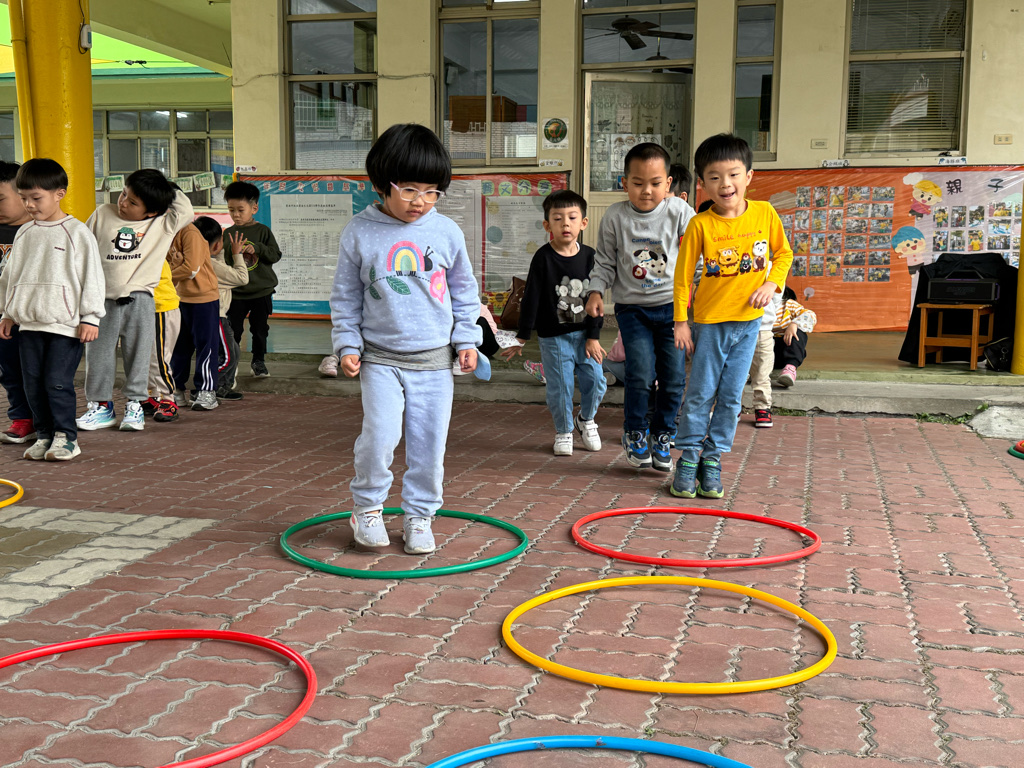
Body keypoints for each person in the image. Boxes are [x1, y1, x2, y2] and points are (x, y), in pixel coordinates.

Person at [331, 123, 481, 555]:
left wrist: (467, 339)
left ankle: (420, 515)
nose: (421, 201)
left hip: (434, 360)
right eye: (410, 189)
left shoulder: (446, 232)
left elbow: (464, 291)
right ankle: (367, 508)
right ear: (382, 184)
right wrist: (347, 345)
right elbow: (345, 295)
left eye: (432, 192)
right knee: (379, 436)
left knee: (429, 443)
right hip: (380, 358)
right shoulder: (359, 231)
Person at [672, 133, 793, 498]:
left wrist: (771, 284)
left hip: (749, 325)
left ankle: (712, 458)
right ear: (702, 183)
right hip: (710, 325)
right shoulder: (700, 224)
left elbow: (783, 254)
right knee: (700, 393)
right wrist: (681, 322)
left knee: (730, 396)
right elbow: (682, 278)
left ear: (749, 176)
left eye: (733, 174)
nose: (725, 184)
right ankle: (688, 458)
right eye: (714, 177)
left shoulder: (765, 213)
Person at [585, 142, 695, 472]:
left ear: (668, 183)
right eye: (638, 183)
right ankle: (635, 431)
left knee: (673, 378)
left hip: (673, 310)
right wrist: (596, 291)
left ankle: (663, 434)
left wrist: (703, 293)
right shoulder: (615, 216)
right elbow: (604, 261)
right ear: (624, 182)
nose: (646, 191)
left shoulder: (679, 212)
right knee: (641, 373)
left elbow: (697, 257)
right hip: (632, 310)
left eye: (655, 183)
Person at [0, 158, 105, 461]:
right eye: (24, 198)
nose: (29, 205)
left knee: (56, 383)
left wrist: (90, 317)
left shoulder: (77, 232)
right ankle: (44, 435)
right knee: (32, 384)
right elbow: (11, 275)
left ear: (59, 193)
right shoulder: (25, 232)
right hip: (28, 325)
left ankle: (66, 438)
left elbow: (92, 276)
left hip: (65, 326)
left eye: (36, 198)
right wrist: (8, 313)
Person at [78, 169, 193, 432]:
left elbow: (186, 209)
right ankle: (101, 406)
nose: (123, 203)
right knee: (98, 355)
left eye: (133, 202)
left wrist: (164, 187)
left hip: (140, 299)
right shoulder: (103, 213)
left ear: (151, 211)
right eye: (123, 194)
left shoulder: (163, 223)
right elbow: (83, 250)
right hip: (102, 300)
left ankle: (135, 405)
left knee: (139, 356)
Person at [502, 189, 606, 456]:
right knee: (560, 387)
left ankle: (586, 420)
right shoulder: (543, 258)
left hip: (585, 335)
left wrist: (593, 336)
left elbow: (596, 300)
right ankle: (564, 430)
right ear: (547, 225)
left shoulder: (591, 257)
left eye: (572, 218)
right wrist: (522, 336)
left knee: (596, 380)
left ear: (583, 222)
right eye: (558, 219)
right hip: (554, 337)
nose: (565, 224)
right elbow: (532, 298)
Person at [223, 181, 281, 379]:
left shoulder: (263, 231)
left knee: (260, 330)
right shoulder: (228, 234)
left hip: (261, 292)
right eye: (231, 210)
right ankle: (231, 363)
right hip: (236, 293)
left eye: (240, 210)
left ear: (254, 208)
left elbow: (275, 255)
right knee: (233, 330)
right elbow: (225, 262)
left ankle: (258, 362)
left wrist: (258, 248)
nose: (236, 215)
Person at [168, 220, 221, 411]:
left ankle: (206, 391)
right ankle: (176, 389)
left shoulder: (189, 232)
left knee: (206, 346)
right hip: (179, 298)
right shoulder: (167, 231)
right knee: (179, 347)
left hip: (203, 299)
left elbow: (190, 269)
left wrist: (164, 275)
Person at [193, 216, 248, 401]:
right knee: (227, 357)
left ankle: (221, 387)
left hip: (212, 314)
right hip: (216, 316)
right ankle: (205, 385)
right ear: (217, 244)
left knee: (234, 351)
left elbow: (220, 264)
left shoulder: (202, 260)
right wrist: (237, 254)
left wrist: (221, 250)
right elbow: (242, 278)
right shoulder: (213, 266)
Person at [0, 161, 35, 444]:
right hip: (3, 319)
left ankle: (50, 421)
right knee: (10, 372)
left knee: (42, 374)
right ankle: (22, 418)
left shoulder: (44, 230)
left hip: (37, 317)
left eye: (0, 199)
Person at [748, 286, 817, 427]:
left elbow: (810, 315)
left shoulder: (788, 305)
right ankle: (749, 372)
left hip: (782, 352)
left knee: (799, 334)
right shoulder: (755, 303)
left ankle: (790, 368)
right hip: (760, 354)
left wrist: (794, 324)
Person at [141, 260, 181, 423]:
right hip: (144, 306)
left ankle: (168, 399)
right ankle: (152, 395)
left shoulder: (153, 245)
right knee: (145, 357)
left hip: (161, 305)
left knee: (158, 358)